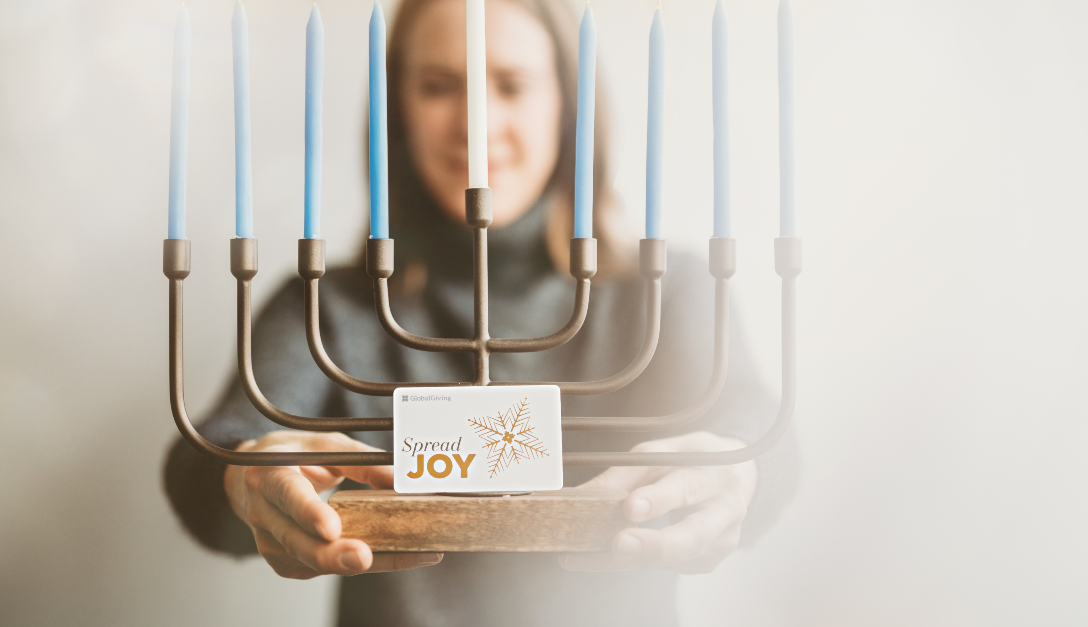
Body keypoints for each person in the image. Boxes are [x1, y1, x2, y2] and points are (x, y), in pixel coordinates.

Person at [163, 0, 798, 624]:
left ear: (569, 105)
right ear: (397, 113)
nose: (476, 121)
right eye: (439, 86)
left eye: (513, 85)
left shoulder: (662, 293)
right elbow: (211, 453)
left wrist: (739, 470)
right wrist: (244, 479)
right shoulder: (332, 307)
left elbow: (756, 427)